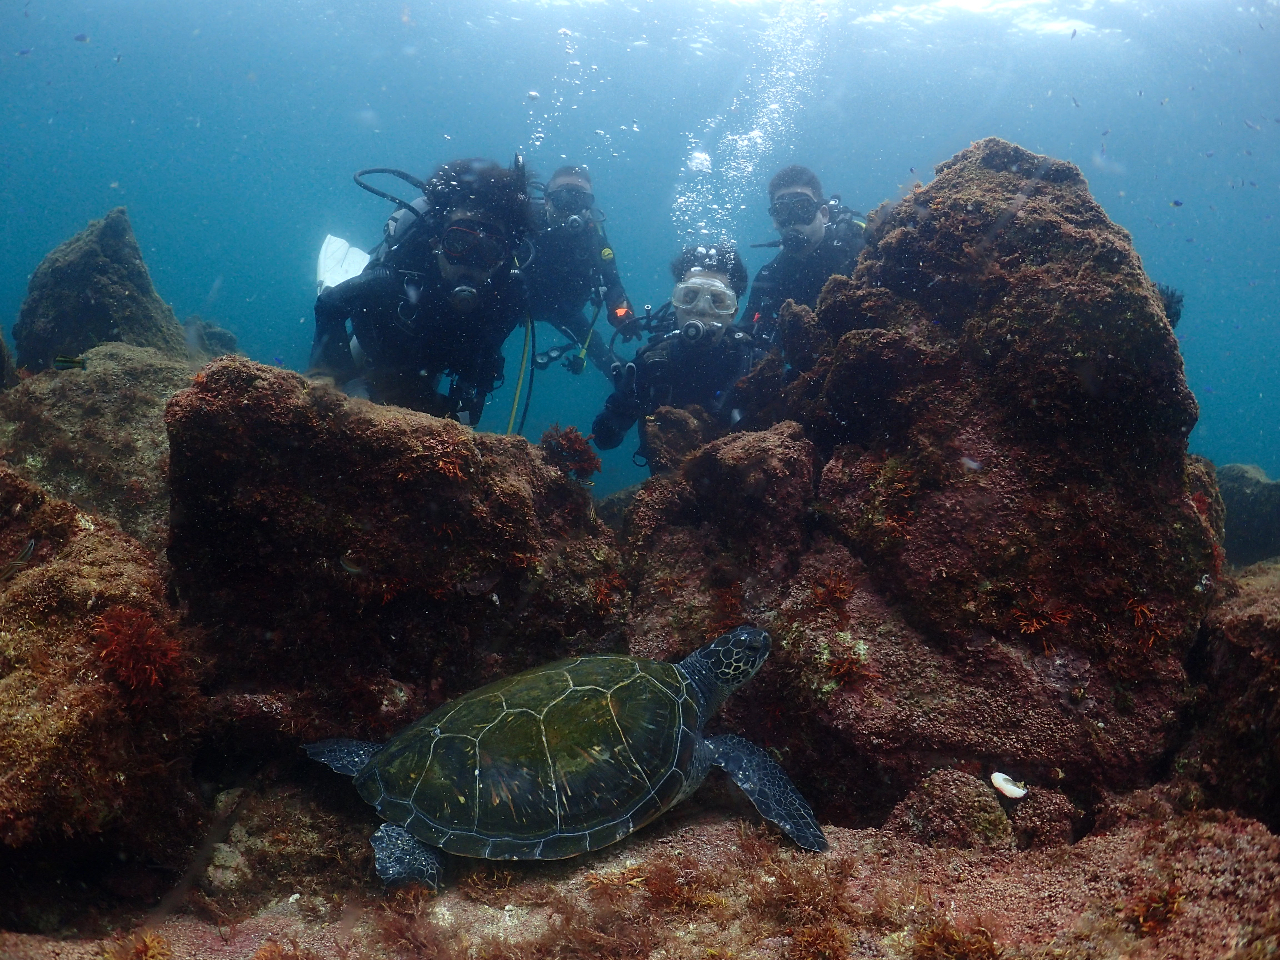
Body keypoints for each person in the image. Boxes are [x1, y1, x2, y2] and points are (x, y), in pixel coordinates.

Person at [309, 157, 534, 425]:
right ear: (435, 241)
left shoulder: (506, 299)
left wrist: (461, 404)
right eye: (459, 242)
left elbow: (483, 361)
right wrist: (338, 387)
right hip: (381, 345)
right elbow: (330, 304)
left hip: (433, 362)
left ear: (504, 258)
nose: (469, 262)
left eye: (488, 250)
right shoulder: (393, 278)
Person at [591, 244, 756, 471]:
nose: (700, 309)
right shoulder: (651, 364)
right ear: (675, 304)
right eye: (689, 296)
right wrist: (618, 412)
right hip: (668, 492)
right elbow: (604, 441)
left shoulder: (752, 366)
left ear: (733, 312)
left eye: (717, 300)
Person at [524, 165, 637, 376]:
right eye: (563, 198)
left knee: (602, 355)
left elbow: (613, 284)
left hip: (565, 309)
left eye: (580, 200)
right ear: (547, 201)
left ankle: (638, 396)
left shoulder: (594, 238)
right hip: (514, 302)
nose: (571, 208)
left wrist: (622, 313)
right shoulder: (524, 225)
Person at [741, 165, 866, 345]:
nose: (793, 219)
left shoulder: (857, 248)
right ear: (775, 221)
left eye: (802, 207)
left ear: (823, 214)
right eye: (782, 210)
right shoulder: (770, 277)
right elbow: (746, 337)